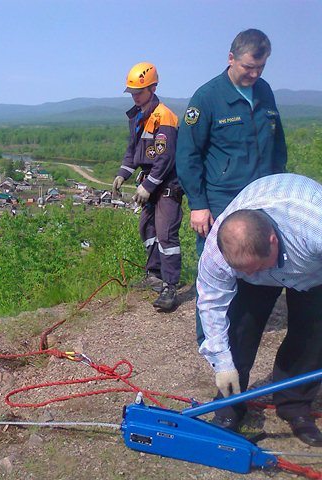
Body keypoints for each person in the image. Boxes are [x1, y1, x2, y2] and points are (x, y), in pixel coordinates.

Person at [176, 28, 287, 340]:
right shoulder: (207, 97)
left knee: (255, 265)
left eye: (260, 67)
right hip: (221, 202)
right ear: (231, 58)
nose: (253, 74)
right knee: (216, 270)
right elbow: (187, 155)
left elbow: (278, 143)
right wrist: (197, 204)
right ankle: (210, 340)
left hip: (262, 198)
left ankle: (243, 331)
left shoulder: (264, 91)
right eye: (248, 67)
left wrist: (278, 183)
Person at [197, 173, 322, 446]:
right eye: (244, 270)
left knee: (312, 334)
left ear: (272, 241)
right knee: (240, 327)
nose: (252, 273)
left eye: (257, 266)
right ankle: (230, 404)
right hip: (267, 258)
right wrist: (223, 364)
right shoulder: (218, 253)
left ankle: (296, 406)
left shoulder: (315, 223)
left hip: (313, 269)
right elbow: (211, 304)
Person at [112, 62, 183, 312]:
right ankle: (154, 274)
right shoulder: (138, 116)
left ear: (152, 88)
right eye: (132, 92)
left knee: (165, 234)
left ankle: (170, 286)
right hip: (149, 182)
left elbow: (166, 157)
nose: (134, 96)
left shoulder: (164, 116)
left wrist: (149, 186)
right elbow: (133, 151)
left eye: (138, 92)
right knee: (147, 228)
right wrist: (123, 175)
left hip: (166, 183)